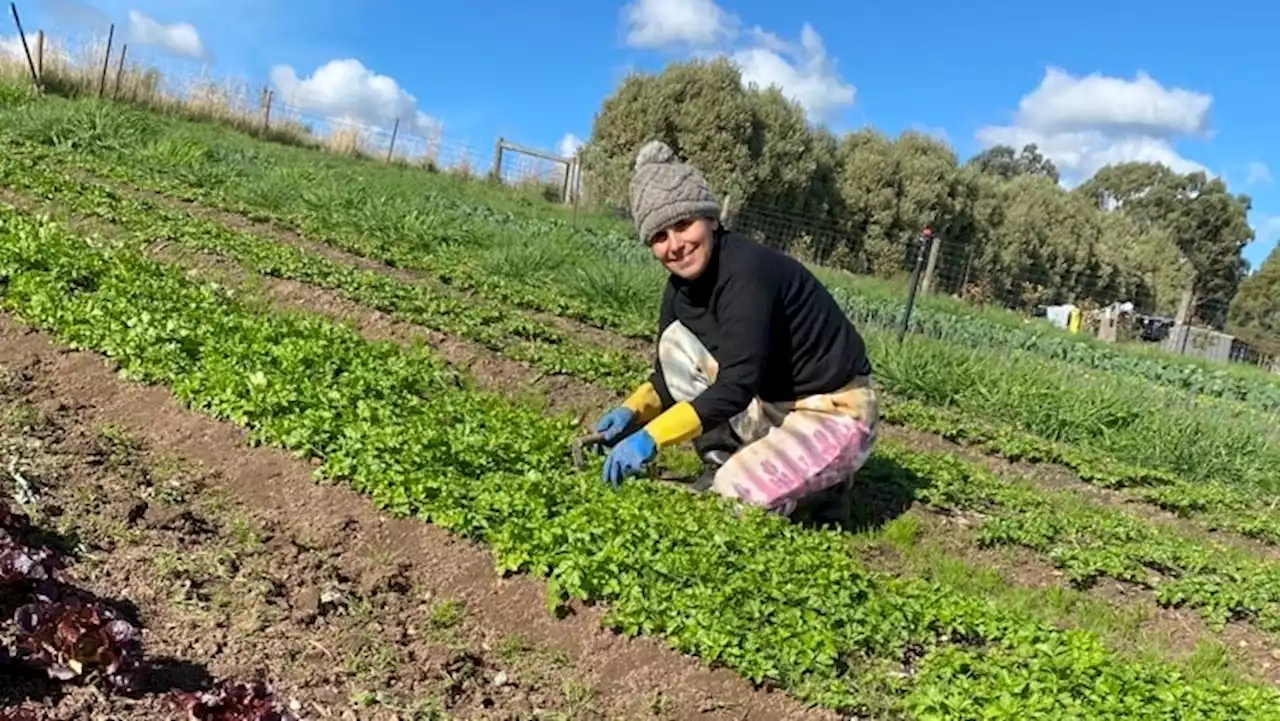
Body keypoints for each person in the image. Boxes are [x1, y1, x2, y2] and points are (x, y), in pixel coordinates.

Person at [592, 139, 879, 521]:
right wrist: (630, 414)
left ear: (710, 218)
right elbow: (667, 377)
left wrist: (652, 438)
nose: (675, 245)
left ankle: (825, 487)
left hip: (836, 413)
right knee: (676, 343)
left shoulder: (746, 274)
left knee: (731, 498)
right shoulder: (679, 290)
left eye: (682, 224)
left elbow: (737, 385)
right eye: (659, 237)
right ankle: (725, 458)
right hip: (773, 402)